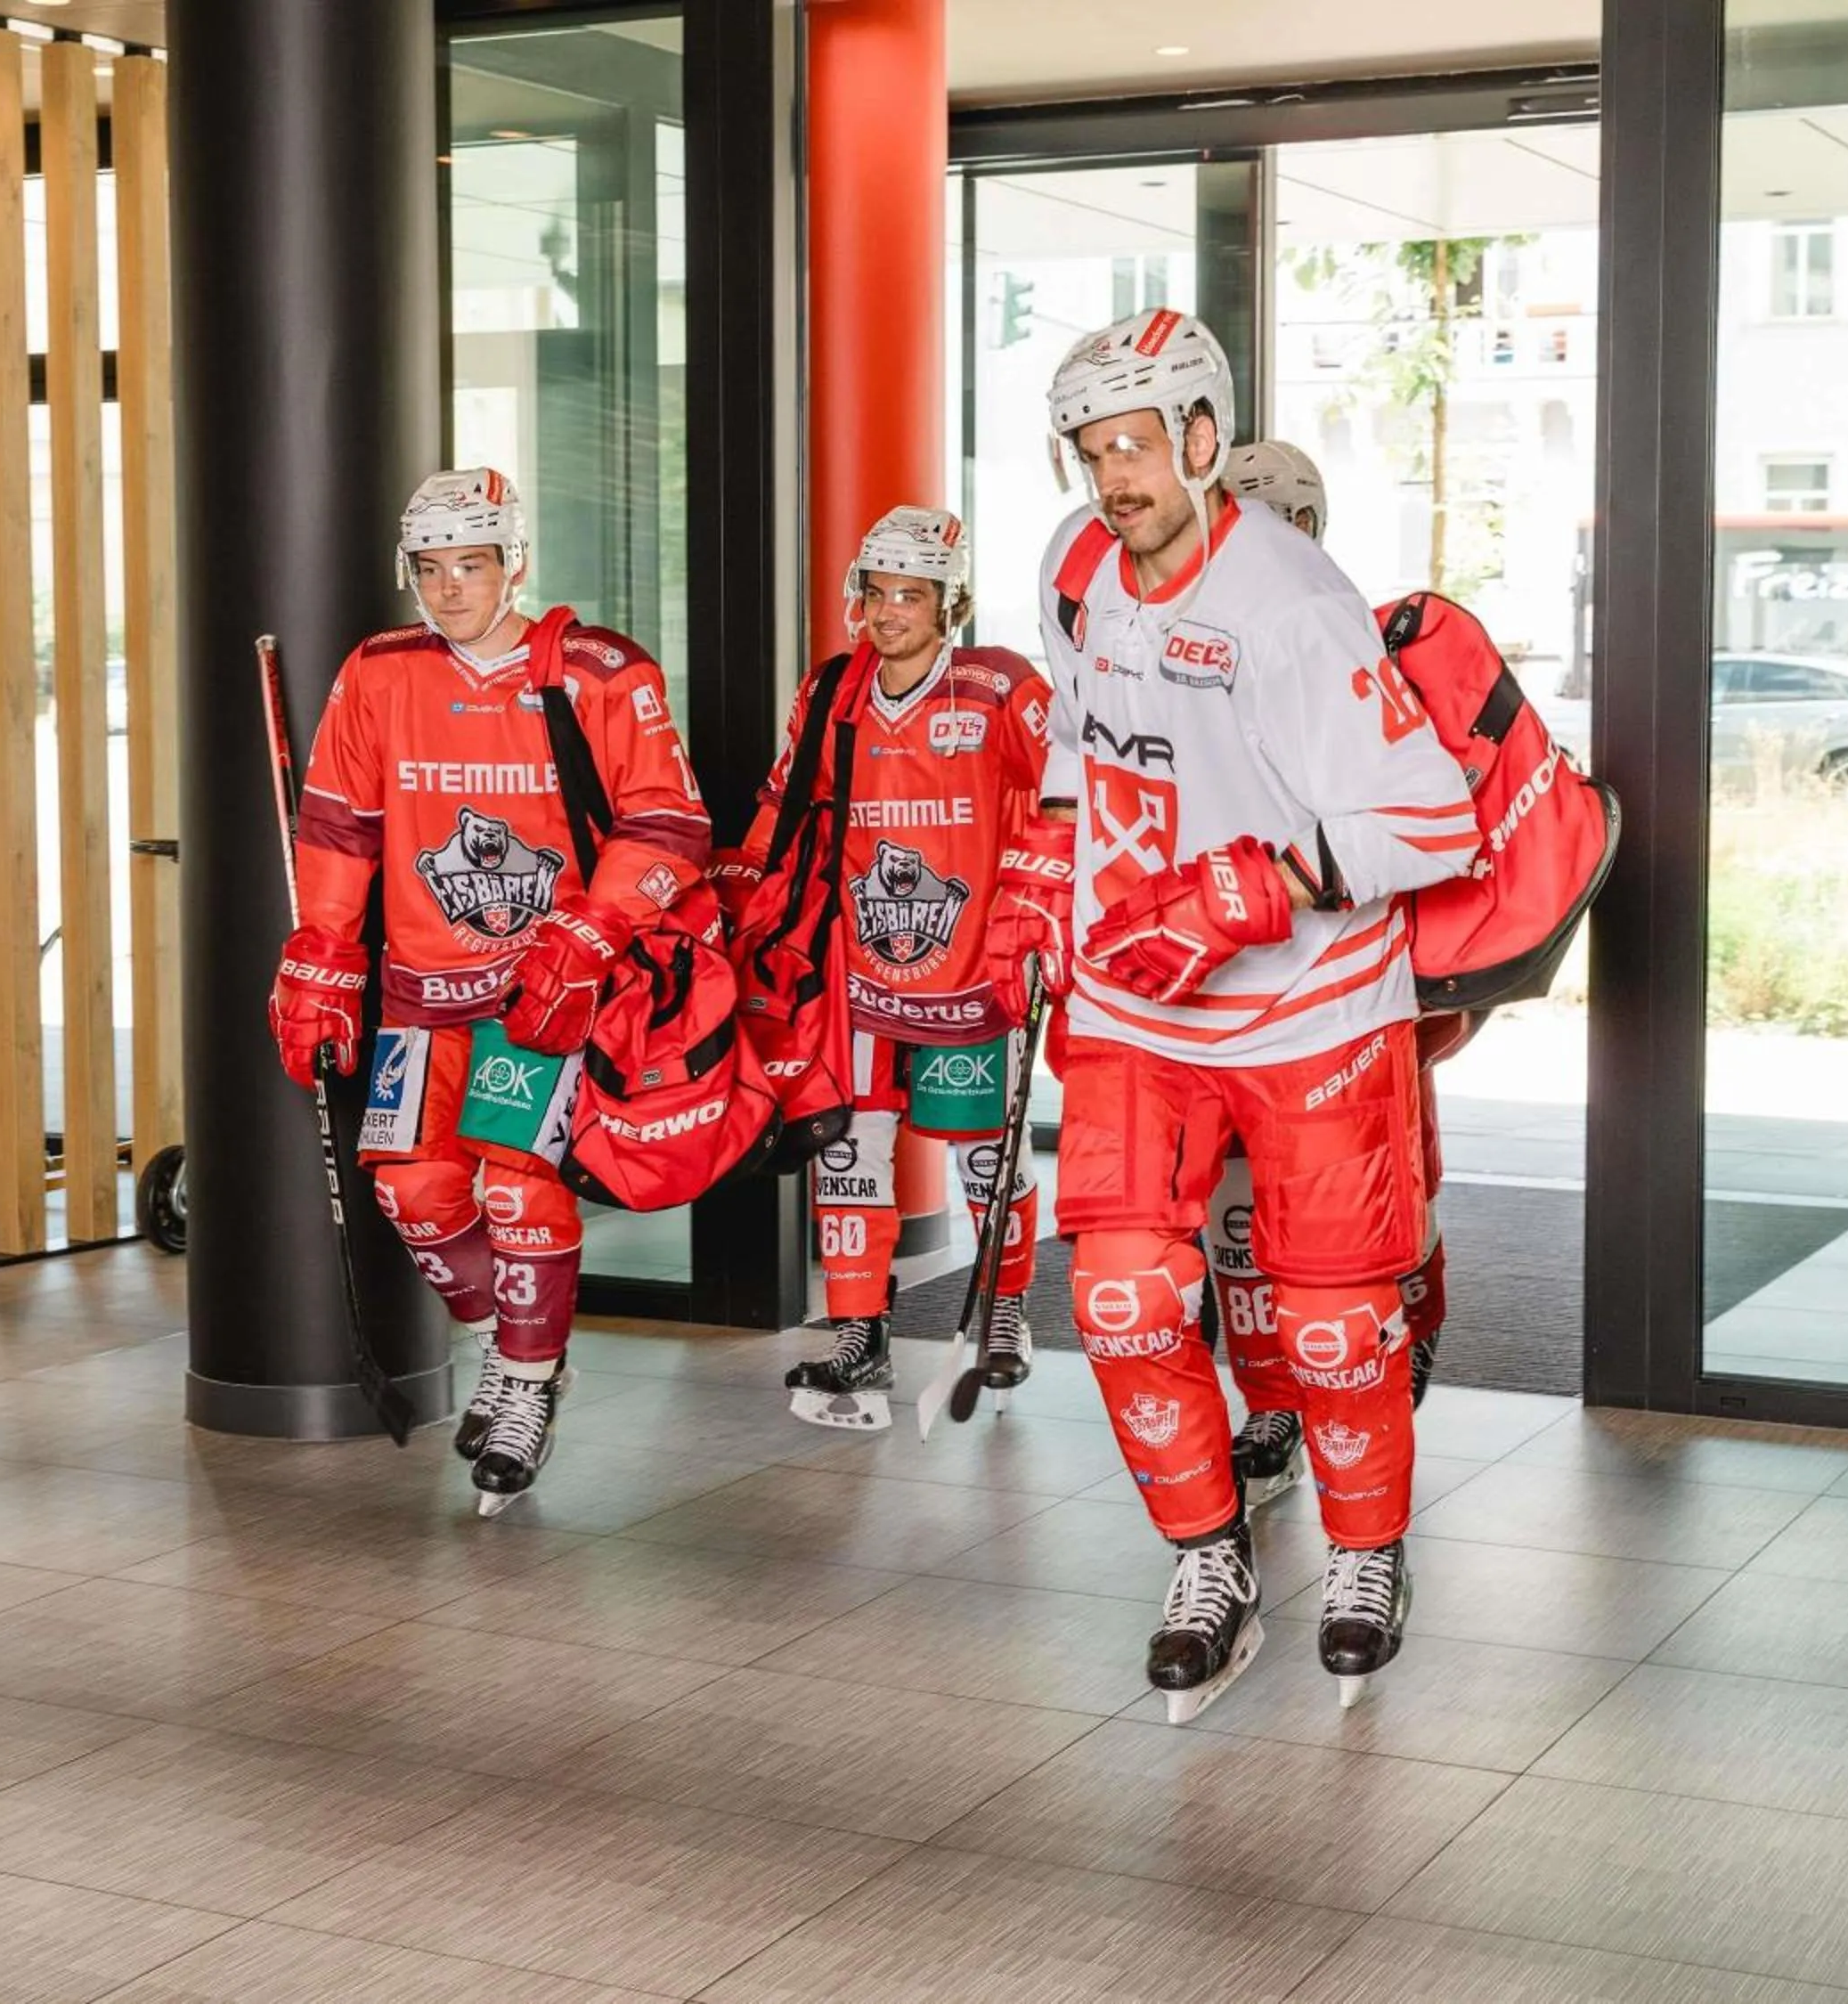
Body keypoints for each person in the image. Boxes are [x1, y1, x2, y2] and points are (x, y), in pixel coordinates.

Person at [988, 312, 1478, 1719]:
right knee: (1126, 1299)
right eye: (1090, 449)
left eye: (1136, 444)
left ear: (1205, 438)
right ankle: (1210, 1562)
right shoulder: (1078, 568)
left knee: (1329, 1327)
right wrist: (1042, 884)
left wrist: (1256, 883)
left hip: (1313, 1013)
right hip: (1143, 1008)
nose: (1112, 476)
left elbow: (1427, 822)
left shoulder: (1293, 603)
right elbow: (1090, 757)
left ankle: (1367, 1555)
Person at [266, 468, 708, 1509]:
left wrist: (590, 935)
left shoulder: (599, 671)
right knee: (414, 1196)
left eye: (472, 563)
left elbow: (669, 826)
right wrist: (320, 956)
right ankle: (507, 1337)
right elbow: (338, 827)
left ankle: (525, 1379)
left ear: (516, 562)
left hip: (541, 994)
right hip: (423, 988)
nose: (451, 587)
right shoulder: (380, 674)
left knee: (514, 1184)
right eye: (431, 567)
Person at [712, 507, 1053, 1430]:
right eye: (878, 591)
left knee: (987, 1159)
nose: (892, 610)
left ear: (954, 602)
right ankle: (861, 1331)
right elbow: (786, 802)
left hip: (975, 975)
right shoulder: (831, 691)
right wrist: (740, 895)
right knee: (851, 1154)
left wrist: (1041, 914)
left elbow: (1066, 798)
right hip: (854, 974)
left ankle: (1005, 1307)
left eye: (914, 594)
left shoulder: (1001, 688)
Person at [1213, 439, 1461, 1517]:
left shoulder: (1352, 638)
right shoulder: (1180, 637)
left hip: (1353, 985)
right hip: (1223, 984)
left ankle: (1407, 1336)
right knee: (1232, 1218)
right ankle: (1267, 1398)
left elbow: (1431, 817)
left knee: (1381, 1203)